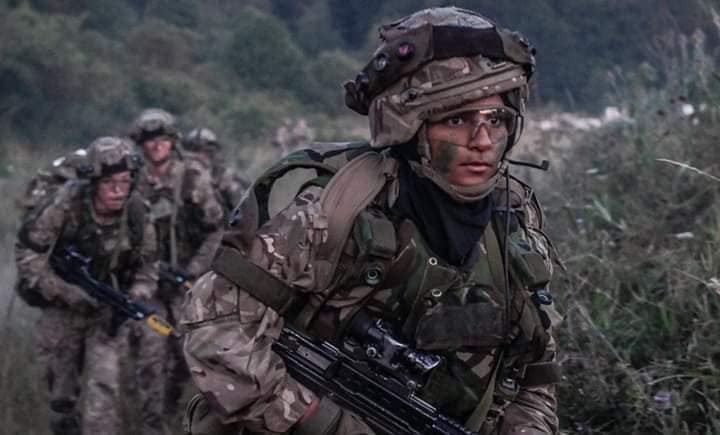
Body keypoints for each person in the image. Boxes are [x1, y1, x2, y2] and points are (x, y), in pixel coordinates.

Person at [182, 7, 562, 435]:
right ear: (411, 127)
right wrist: (323, 422)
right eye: (457, 119)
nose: (483, 141)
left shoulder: (513, 220)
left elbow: (535, 373)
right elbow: (218, 330)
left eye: (497, 120)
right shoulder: (332, 203)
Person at [15, 137, 163, 434]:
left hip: (106, 311)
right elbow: (29, 255)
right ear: (94, 183)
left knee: (103, 388)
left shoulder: (137, 212)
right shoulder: (65, 205)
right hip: (61, 307)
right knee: (59, 396)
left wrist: (135, 295)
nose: (118, 190)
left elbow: (149, 267)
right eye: (109, 183)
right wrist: (64, 291)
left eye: (125, 182)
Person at [130, 109, 225, 419]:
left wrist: (193, 270)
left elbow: (216, 231)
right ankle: (151, 421)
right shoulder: (130, 181)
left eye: (162, 138)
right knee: (151, 350)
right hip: (147, 283)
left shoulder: (192, 176)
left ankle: (170, 404)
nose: (156, 145)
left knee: (189, 351)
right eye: (149, 139)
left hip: (186, 281)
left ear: (172, 141)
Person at [183, 127, 249, 214]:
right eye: (194, 151)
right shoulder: (182, 175)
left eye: (205, 152)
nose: (199, 157)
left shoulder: (224, 176)